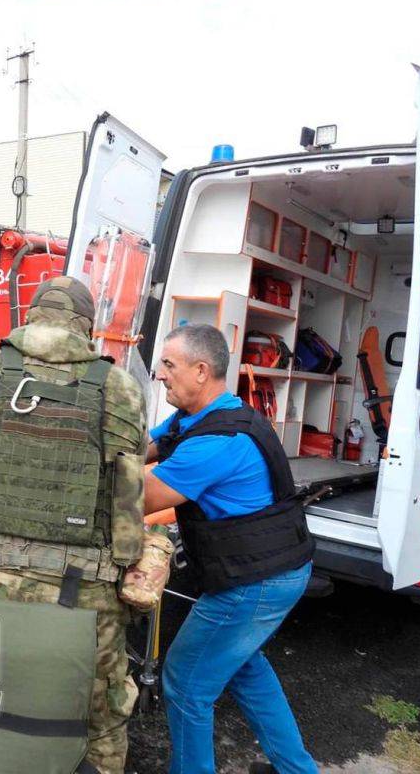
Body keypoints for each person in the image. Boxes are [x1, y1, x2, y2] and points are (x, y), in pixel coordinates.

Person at [0, 276, 147, 774]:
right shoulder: (122, 388)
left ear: (32, 316)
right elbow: (129, 491)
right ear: (86, 327)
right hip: (86, 595)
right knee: (99, 720)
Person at [144, 323, 317, 774]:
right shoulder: (202, 416)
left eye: (169, 365)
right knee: (244, 667)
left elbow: (139, 497)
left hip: (256, 580)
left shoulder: (219, 441)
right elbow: (147, 446)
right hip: (272, 567)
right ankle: (295, 769)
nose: (160, 374)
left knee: (185, 683)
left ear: (201, 371)